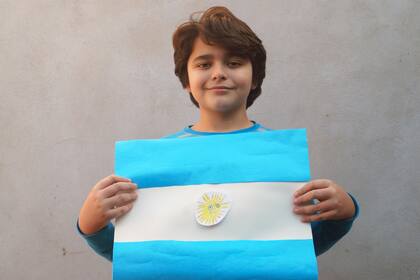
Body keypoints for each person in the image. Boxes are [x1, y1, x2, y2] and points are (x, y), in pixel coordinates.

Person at [77, 6, 359, 262]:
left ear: (255, 77)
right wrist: (91, 224)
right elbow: (139, 257)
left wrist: (344, 212)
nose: (218, 73)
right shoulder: (157, 166)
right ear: (186, 80)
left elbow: (294, 250)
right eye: (203, 64)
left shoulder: (279, 164)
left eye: (234, 62)